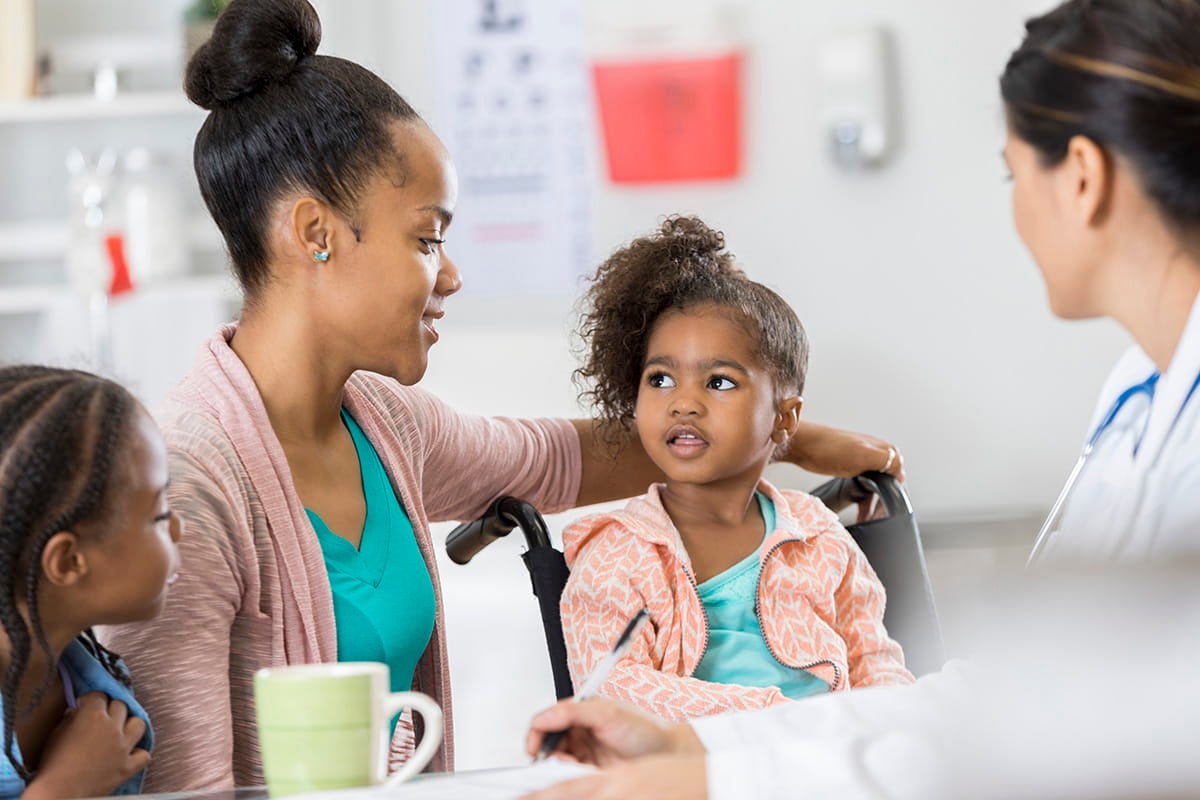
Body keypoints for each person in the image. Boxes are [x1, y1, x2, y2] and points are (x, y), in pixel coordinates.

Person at [97, 0, 904, 791]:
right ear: (316, 234)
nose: (450, 274)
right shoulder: (187, 485)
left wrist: (778, 437)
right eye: (427, 237)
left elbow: (566, 456)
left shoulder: (384, 426)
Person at [521, 0, 1200, 796]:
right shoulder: (1140, 393)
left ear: (1081, 177)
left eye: (1014, 174)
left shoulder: (816, 538)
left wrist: (720, 770)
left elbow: (1117, 725)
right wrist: (715, 756)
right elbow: (1012, 700)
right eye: (662, 379)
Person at [559, 216, 913, 724]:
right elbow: (613, 686)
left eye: (719, 383)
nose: (683, 403)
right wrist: (772, 717)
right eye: (660, 379)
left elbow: (872, 660)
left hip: (827, 762)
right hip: (696, 768)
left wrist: (895, 727)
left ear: (785, 417)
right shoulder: (618, 552)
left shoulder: (817, 536)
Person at [0, 366, 184, 798]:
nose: (179, 528)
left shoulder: (94, 688)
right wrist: (62, 788)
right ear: (68, 560)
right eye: (158, 514)